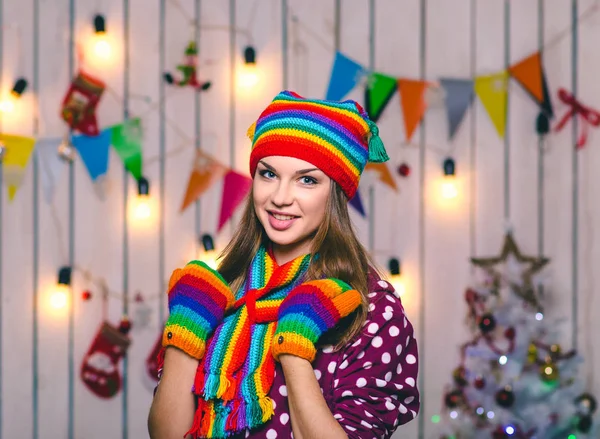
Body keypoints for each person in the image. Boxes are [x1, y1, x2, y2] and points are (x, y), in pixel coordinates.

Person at [148, 90, 420, 439]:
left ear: (336, 192)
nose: (279, 197)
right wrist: (184, 334)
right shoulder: (222, 287)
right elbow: (166, 434)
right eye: (268, 174)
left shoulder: (371, 307)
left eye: (307, 179)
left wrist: (293, 349)